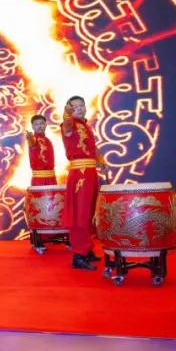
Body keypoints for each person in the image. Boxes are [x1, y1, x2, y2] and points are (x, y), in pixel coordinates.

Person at [60, 96, 104, 270]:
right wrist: (67, 113)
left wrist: (100, 160)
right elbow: (67, 123)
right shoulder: (69, 125)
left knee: (90, 212)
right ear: (69, 109)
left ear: (86, 108)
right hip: (80, 175)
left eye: (81, 105)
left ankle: (87, 250)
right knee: (80, 213)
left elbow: (92, 148)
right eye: (74, 106)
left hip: (91, 173)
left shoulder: (86, 126)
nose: (78, 108)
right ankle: (78, 255)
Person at [26, 114, 57, 186]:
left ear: (46, 125)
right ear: (32, 126)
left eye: (41, 123)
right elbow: (32, 142)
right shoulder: (34, 139)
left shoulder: (48, 140)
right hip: (39, 180)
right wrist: (30, 138)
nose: (39, 126)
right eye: (36, 124)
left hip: (51, 178)